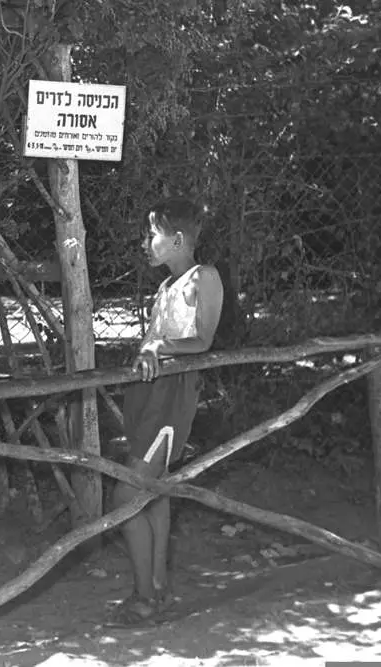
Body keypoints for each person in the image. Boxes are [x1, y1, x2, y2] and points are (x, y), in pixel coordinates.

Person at [107, 198, 223, 626]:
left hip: (171, 396)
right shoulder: (165, 288)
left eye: (151, 234)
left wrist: (160, 346)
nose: (145, 242)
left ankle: (142, 597)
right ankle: (156, 590)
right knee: (153, 494)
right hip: (147, 393)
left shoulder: (203, 278)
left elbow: (203, 341)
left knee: (127, 495)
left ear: (177, 240)